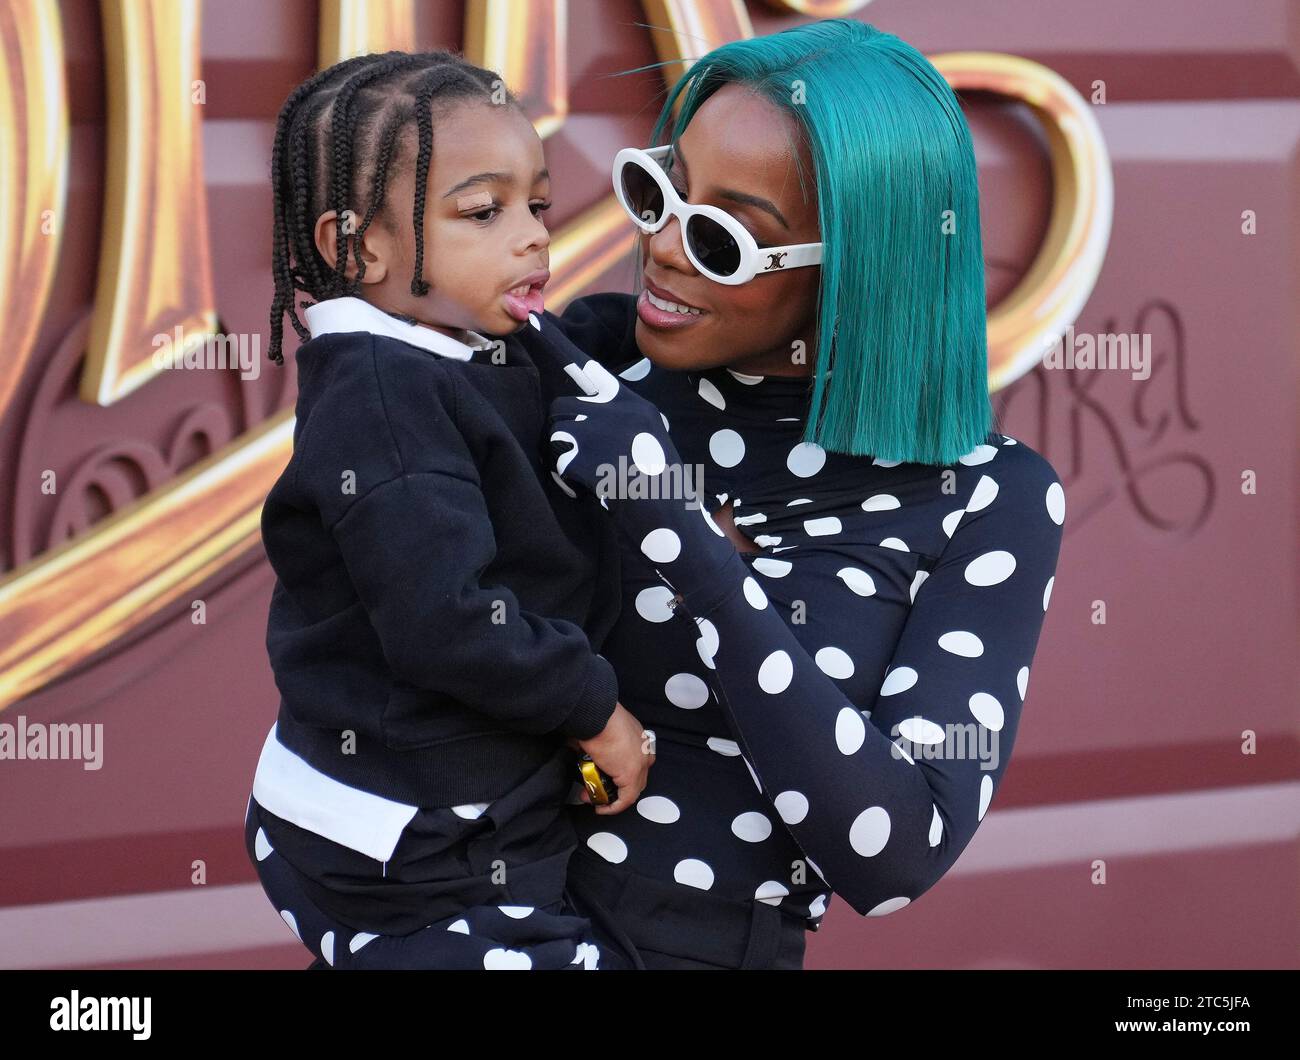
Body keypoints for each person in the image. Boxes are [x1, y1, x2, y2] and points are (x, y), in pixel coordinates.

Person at [519, 19, 1067, 969]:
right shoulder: (583, 388)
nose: (664, 247)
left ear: (860, 275)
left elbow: (897, 852)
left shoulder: (987, 495)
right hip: (464, 930)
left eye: (725, 238)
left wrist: (681, 539)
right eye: (661, 191)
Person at [243, 49, 653, 970]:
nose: (533, 237)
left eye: (537, 205)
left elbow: (577, 343)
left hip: (454, 808)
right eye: (482, 212)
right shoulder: (384, 401)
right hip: (406, 833)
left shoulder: (460, 336)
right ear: (357, 248)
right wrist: (596, 710)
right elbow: (446, 617)